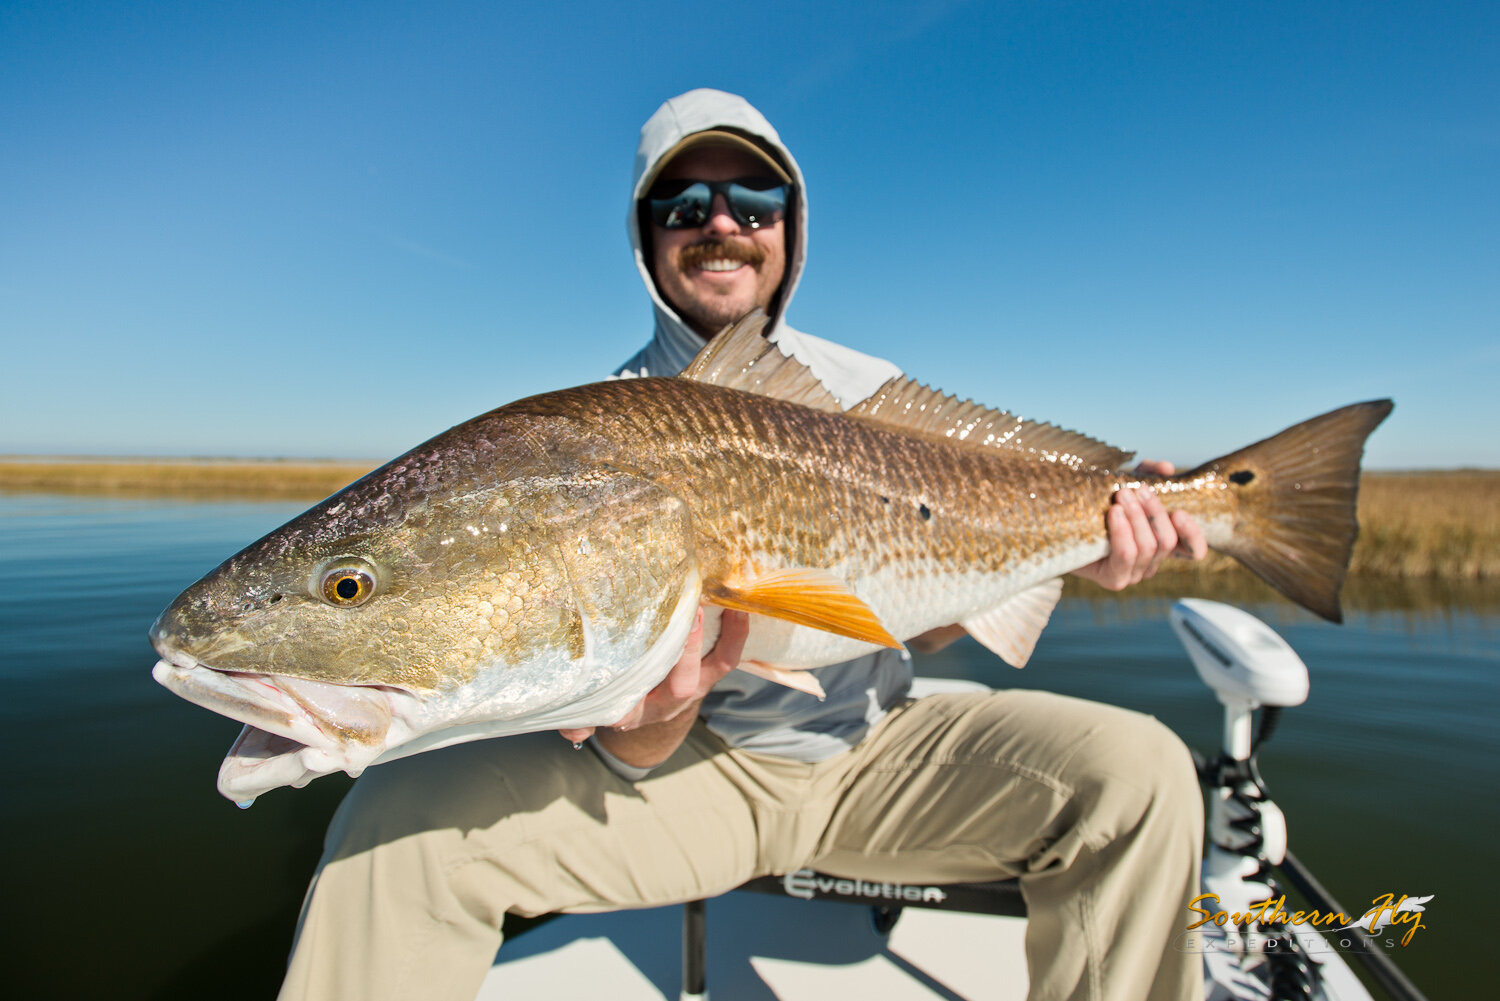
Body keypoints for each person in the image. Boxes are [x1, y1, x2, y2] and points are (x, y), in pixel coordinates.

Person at [278, 88, 1209, 1001]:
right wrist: (659, 706)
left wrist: (1078, 549)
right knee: (390, 829)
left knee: (1142, 770)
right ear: (646, 236)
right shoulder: (593, 434)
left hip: (875, 749)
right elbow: (631, 750)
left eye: (753, 202)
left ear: (790, 227)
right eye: (683, 206)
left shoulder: (866, 392)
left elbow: (911, 625)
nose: (720, 224)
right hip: (692, 775)